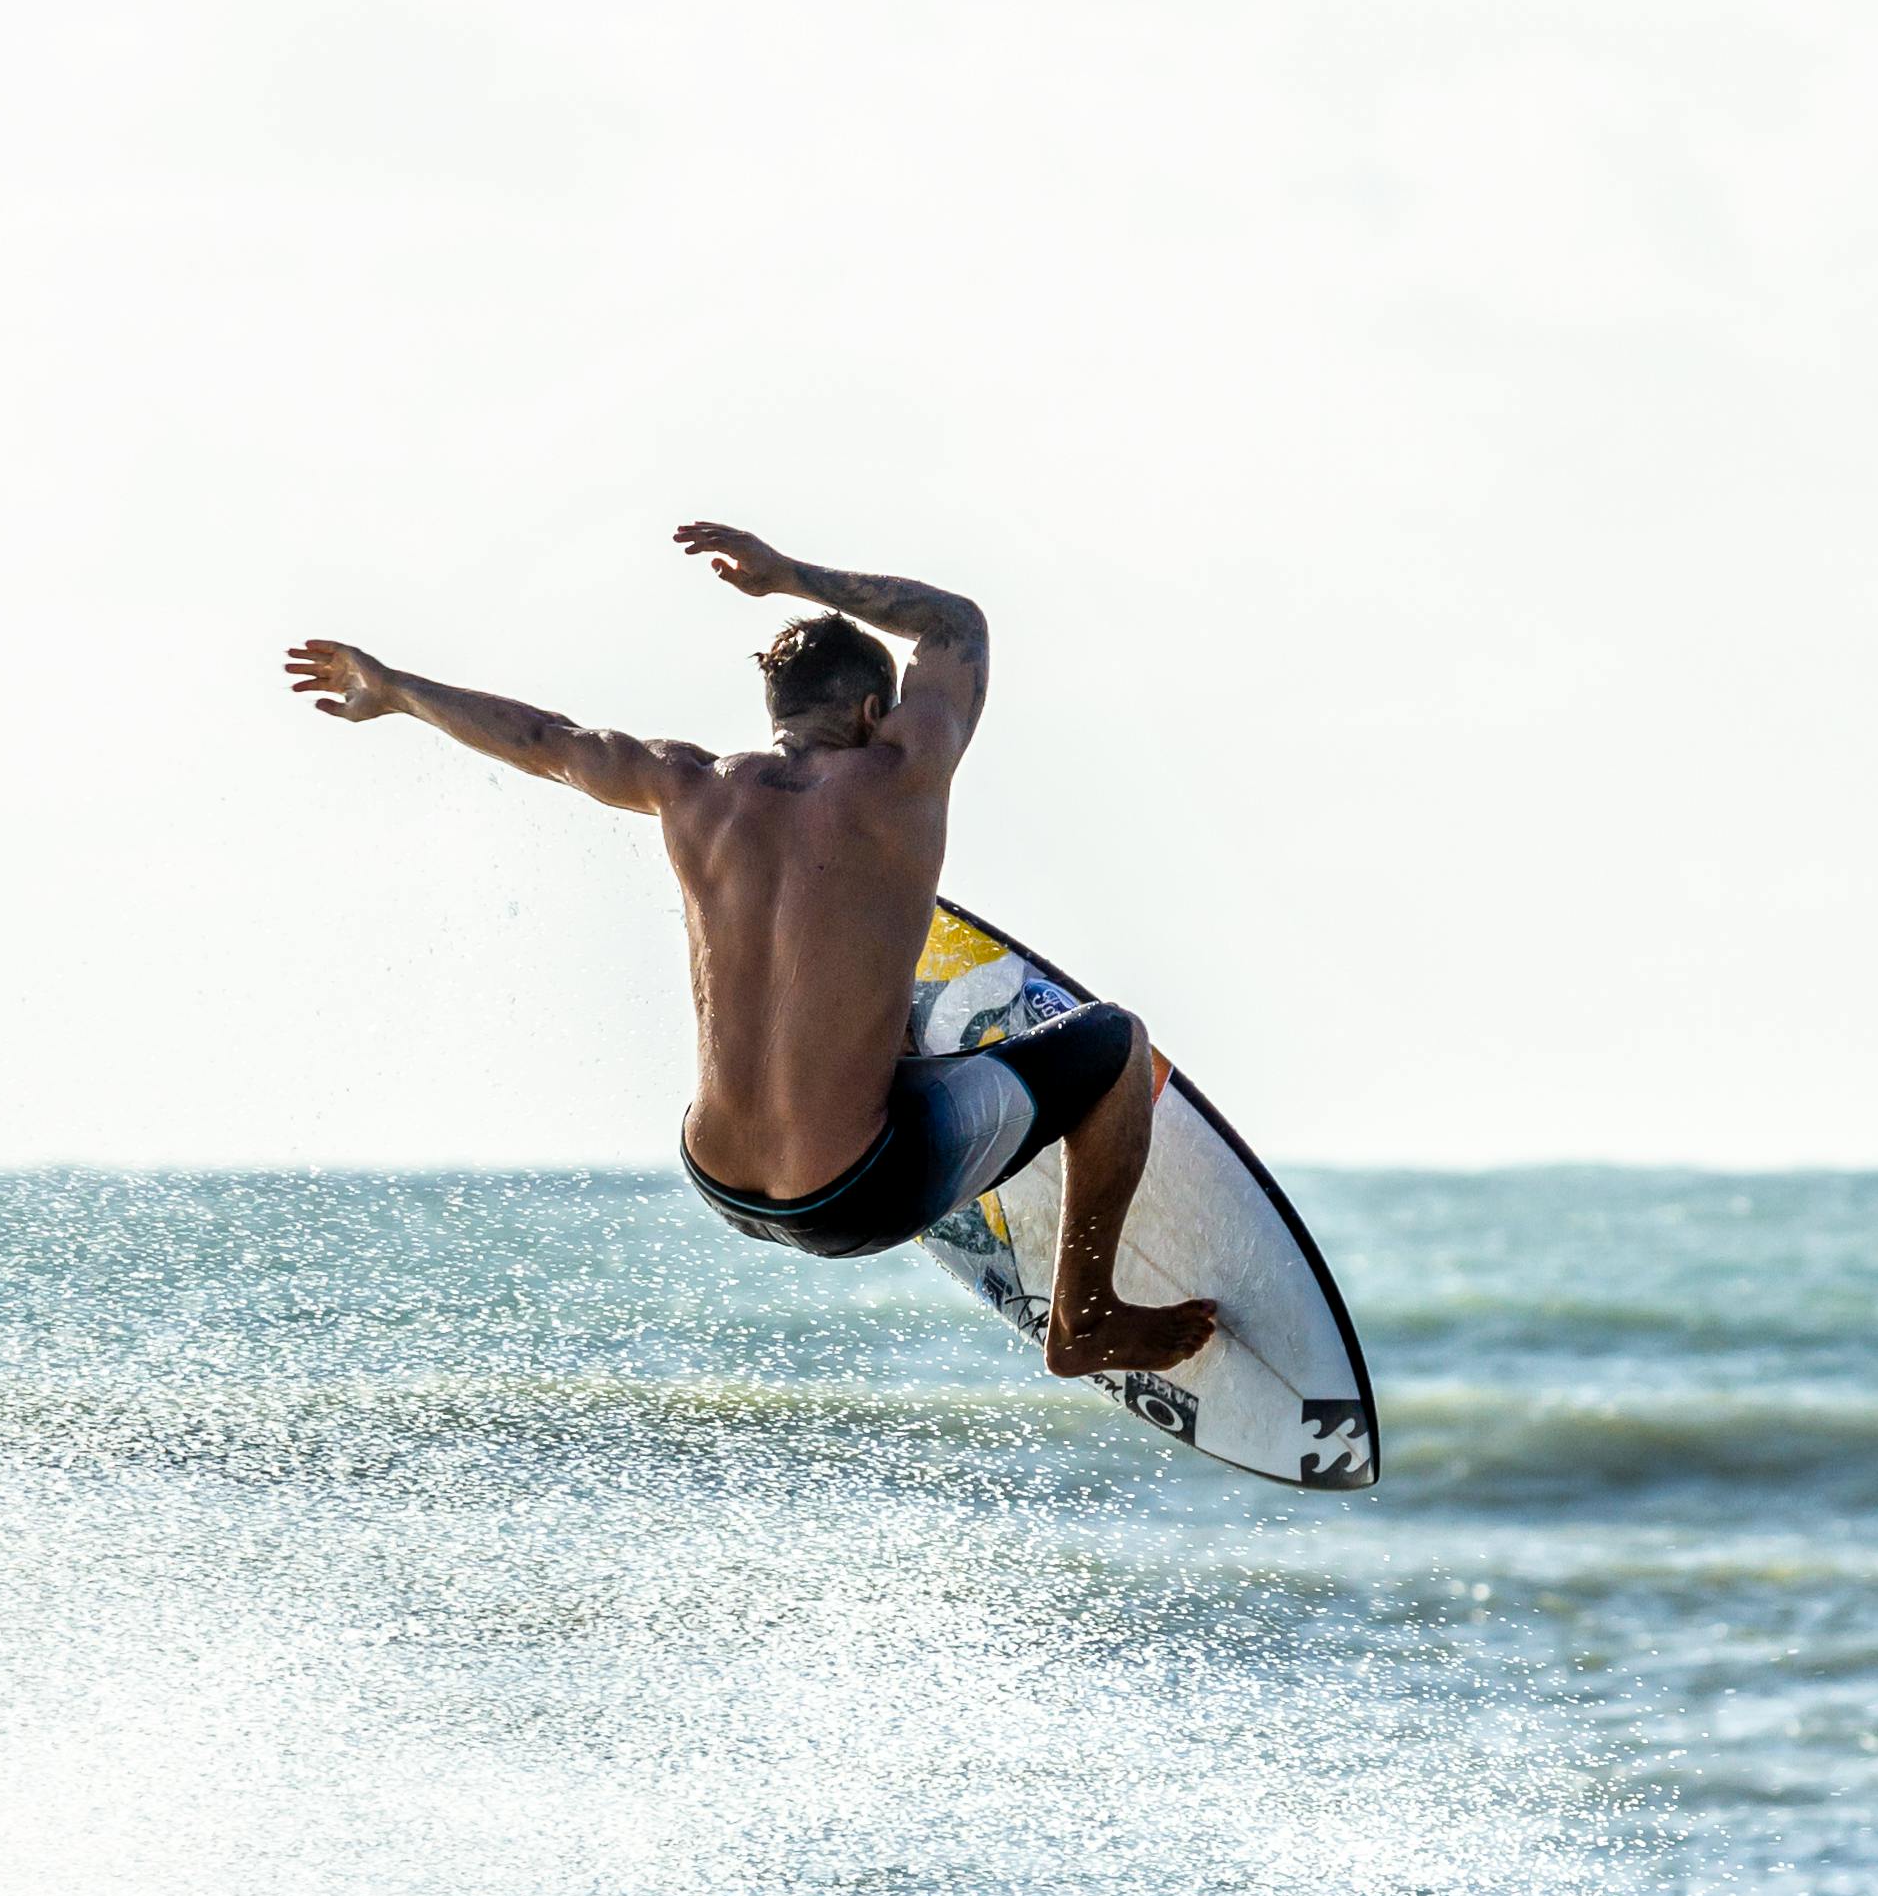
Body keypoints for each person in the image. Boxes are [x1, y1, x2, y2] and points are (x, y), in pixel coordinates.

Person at [282, 526, 1218, 1380]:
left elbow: (546, 739)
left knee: (875, 1010)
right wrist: (791, 576)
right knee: (1114, 1045)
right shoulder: (901, 772)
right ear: (871, 709)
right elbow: (953, 624)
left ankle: (906, 1083)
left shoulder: (684, 785)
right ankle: (1084, 1316)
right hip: (856, 1188)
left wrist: (395, 689)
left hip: (720, 1181)